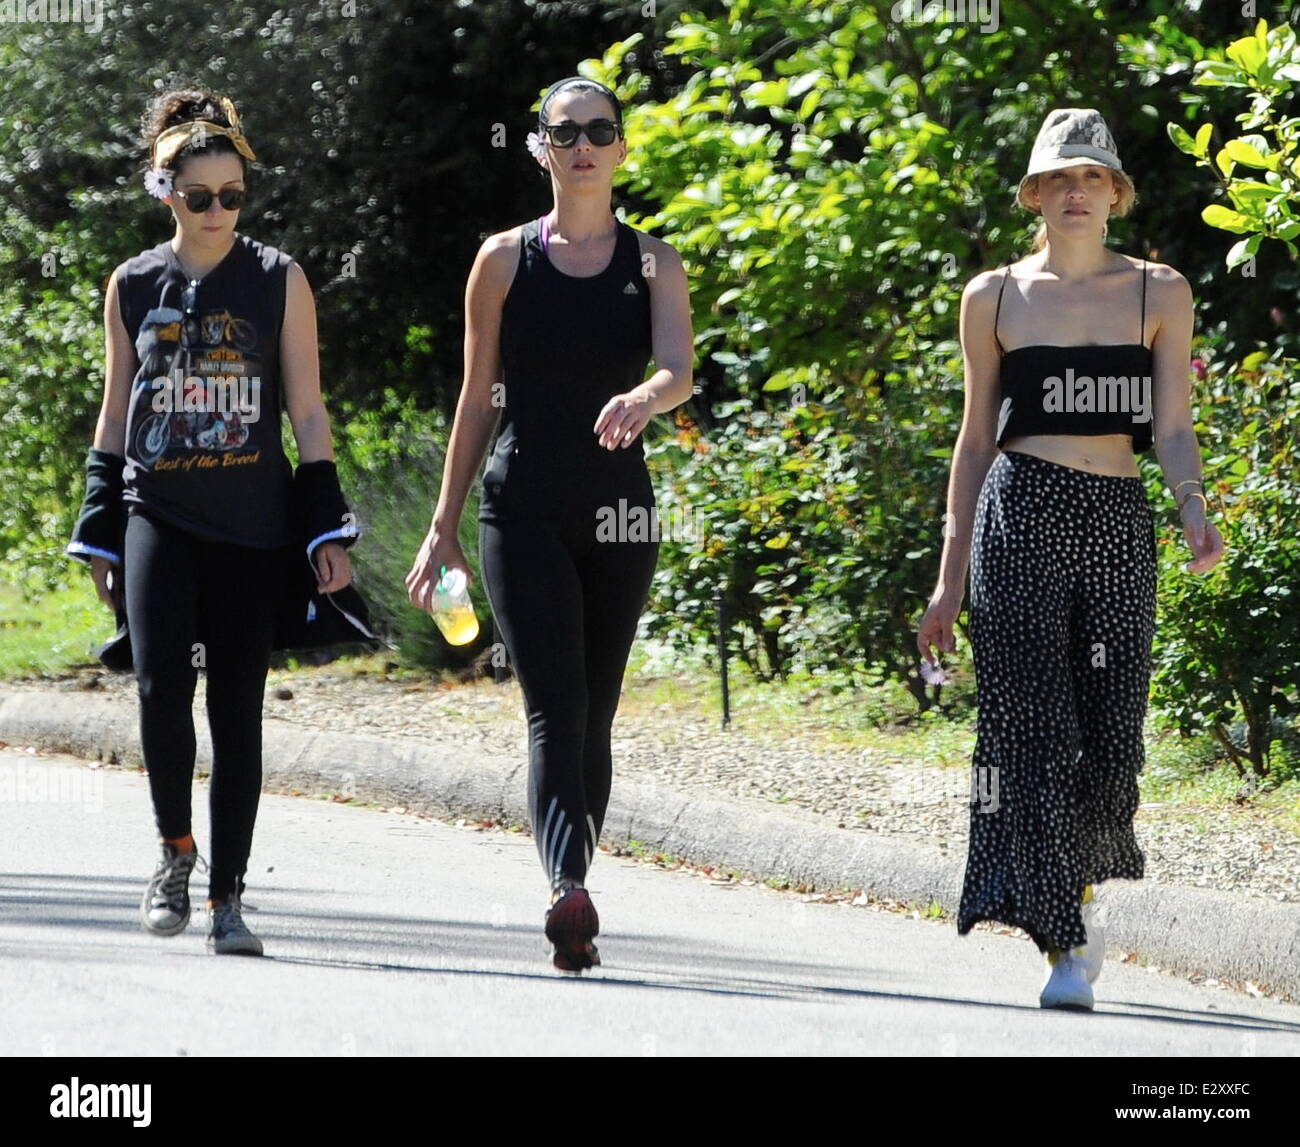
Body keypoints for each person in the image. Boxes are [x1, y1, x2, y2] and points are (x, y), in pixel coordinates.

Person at [916, 108, 1225, 1009]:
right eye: (1059, 179)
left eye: (1092, 177)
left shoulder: (1157, 292)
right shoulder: (995, 297)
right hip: (1021, 513)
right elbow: (975, 441)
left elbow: (1171, 425)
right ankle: (1058, 933)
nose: (1076, 192)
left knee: (1112, 729)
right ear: (1036, 195)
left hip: (1116, 515)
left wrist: (1193, 509)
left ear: (1116, 193)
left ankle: (1082, 890)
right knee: (1028, 727)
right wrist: (949, 574)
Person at [405, 77, 694, 972]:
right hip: (519, 505)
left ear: (620, 148)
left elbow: (680, 369)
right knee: (552, 707)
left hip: (618, 515)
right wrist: (442, 523)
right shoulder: (502, 260)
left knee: (596, 710)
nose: (582, 145)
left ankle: (575, 871)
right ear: (539, 147)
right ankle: (567, 885)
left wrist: (645, 396)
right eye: (564, 132)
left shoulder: (655, 263)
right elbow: (475, 396)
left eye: (599, 131)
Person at [67, 87, 359, 955]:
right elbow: (116, 411)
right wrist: (98, 527)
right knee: (161, 689)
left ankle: (229, 896)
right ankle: (174, 853)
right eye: (201, 198)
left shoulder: (278, 279)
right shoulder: (133, 282)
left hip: (254, 522)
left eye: (234, 196)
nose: (219, 211)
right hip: (158, 509)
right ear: (166, 192)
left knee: (238, 708)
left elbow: (307, 412)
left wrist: (325, 526)